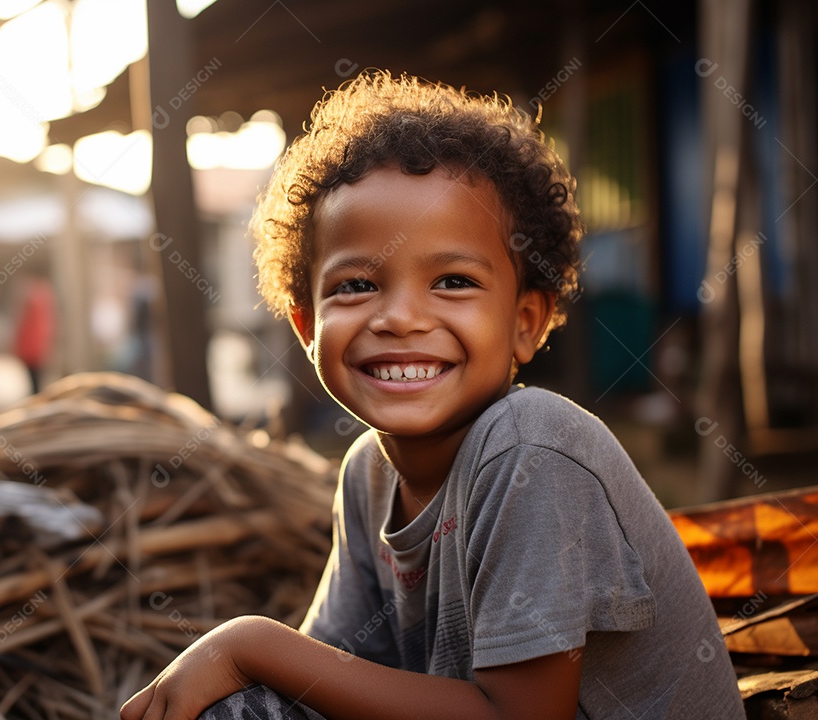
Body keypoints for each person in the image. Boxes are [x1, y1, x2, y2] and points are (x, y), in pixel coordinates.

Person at [121, 71, 744, 720]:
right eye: (357, 286)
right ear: (307, 327)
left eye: (451, 280)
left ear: (525, 322)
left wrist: (249, 643)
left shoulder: (533, 451)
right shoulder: (368, 473)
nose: (401, 319)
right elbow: (323, 685)